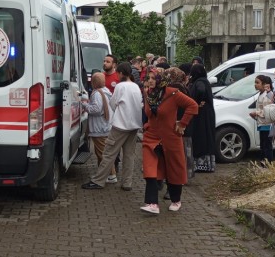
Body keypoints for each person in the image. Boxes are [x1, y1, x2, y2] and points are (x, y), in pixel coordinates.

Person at [140, 67, 198, 214]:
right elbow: (149, 114)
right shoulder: (148, 94)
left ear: (161, 79)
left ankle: (176, 200)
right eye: (148, 78)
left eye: (153, 78)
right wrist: (147, 125)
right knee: (149, 168)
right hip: (151, 136)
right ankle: (152, 203)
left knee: (174, 170)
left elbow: (193, 106)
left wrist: (182, 123)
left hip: (170, 137)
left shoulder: (172, 93)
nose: (150, 81)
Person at [82, 62, 143, 191]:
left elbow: (113, 103)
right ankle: (127, 183)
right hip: (135, 125)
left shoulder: (120, 86)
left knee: (109, 153)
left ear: (120, 73)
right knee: (129, 155)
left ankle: (98, 181)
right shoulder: (135, 86)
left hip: (121, 125)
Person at [81, 72, 116, 183]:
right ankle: (107, 174)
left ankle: (110, 175)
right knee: (103, 152)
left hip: (99, 128)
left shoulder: (97, 93)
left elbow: (96, 109)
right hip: (105, 126)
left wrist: (85, 105)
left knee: (102, 154)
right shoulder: (106, 92)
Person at [188, 64, 217, 173]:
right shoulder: (204, 80)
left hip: (202, 115)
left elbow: (200, 90)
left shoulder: (199, 82)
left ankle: (201, 164)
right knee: (206, 136)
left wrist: (197, 102)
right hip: (206, 113)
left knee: (201, 137)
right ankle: (207, 164)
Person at [250, 75, 275, 164]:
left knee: (267, 145)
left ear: (264, 84)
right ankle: (264, 161)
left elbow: (268, 110)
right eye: (255, 82)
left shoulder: (267, 95)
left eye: (257, 82)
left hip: (267, 124)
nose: (255, 85)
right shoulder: (260, 94)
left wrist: (256, 113)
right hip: (262, 123)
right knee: (263, 145)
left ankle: (268, 163)